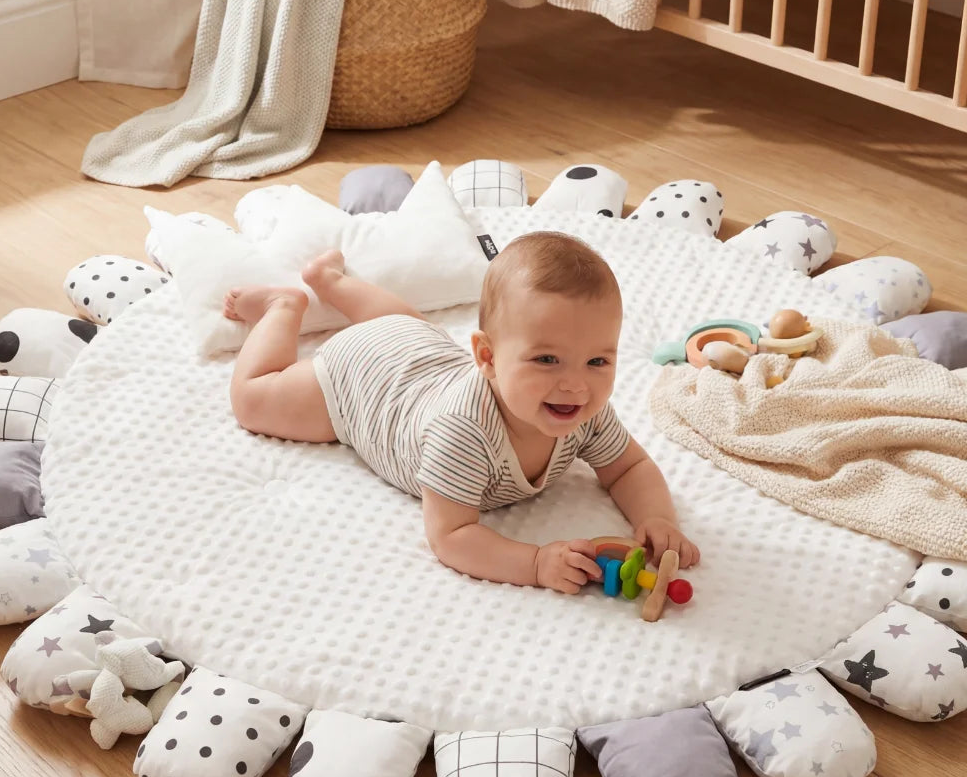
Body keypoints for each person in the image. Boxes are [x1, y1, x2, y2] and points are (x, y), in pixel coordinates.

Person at [224, 230, 699, 594]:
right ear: (487, 358)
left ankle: (331, 280)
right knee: (254, 401)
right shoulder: (464, 433)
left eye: (598, 361)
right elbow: (451, 535)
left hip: (419, 348)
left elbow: (628, 466)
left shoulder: (585, 409)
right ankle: (284, 306)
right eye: (546, 359)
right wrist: (534, 563)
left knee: (406, 326)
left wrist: (658, 519)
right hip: (361, 383)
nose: (575, 383)